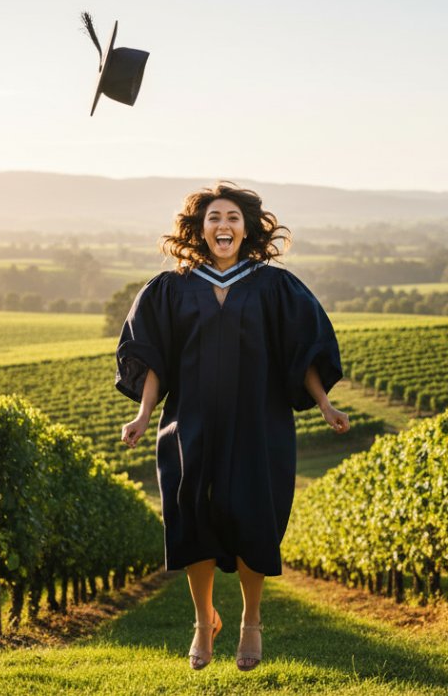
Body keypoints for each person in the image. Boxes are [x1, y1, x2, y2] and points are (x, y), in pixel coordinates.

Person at [115, 181, 350, 671]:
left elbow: (301, 350)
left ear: (247, 229)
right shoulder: (172, 288)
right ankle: (204, 621)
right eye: (214, 218)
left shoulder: (274, 285)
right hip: (191, 422)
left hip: (257, 424)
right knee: (191, 519)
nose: (224, 226)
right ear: (199, 229)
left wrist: (325, 404)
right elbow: (154, 358)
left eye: (233, 218)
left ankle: (251, 621)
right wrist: (142, 413)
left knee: (251, 517)